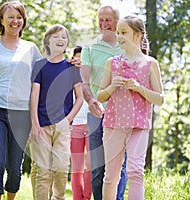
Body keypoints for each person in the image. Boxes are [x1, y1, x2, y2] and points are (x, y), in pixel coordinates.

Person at [0, 1, 42, 200]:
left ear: (24, 21)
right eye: (10, 17)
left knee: (14, 167)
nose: (15, 21)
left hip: (21, 113)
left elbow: (39, 83)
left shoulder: (31, 49)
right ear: (1, 20)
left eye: (19, 17)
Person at [97, 15, 165, 199]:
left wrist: (139, 88)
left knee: (136, 171)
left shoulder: (151, 64)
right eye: (117, 32)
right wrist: (112, 87)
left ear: (138, 35)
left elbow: (160, 99)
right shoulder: (112, 62)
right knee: (111, 176)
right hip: (113, 124)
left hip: (139, 125)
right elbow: (100, 95)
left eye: (123, 32)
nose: (119, 36)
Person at [29, 24, 83, 200]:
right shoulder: (39, 65)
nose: (60, 40)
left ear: (67, 43)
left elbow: (80, 98)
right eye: (56, 37)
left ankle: (58, 197)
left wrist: (67, 121)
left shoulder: (71, 67)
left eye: (64, 37)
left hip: (63, 126)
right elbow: (34, 96)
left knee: (60, 168)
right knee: (43, 172)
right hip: (42, 126)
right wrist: (35, 125)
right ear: (47, 42)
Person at [80, 5, 128, 200]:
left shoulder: (126, 46)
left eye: (108, 19)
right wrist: (91, 100)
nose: (103, 24)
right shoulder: (89, 47)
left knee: (120, 166)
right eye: (101, 19)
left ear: (117, 22)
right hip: (96, 113)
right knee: (98, 167)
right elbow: (84, 81)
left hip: (122, 113)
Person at [70, 45, 92, 200]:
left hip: (92, 125)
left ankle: (86, 197)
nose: (79, 61)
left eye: (82, 59)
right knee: (77, 168)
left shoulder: (92, 76)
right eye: (77, 57)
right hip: (75, 126)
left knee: (91, 166)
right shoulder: (68, 77)